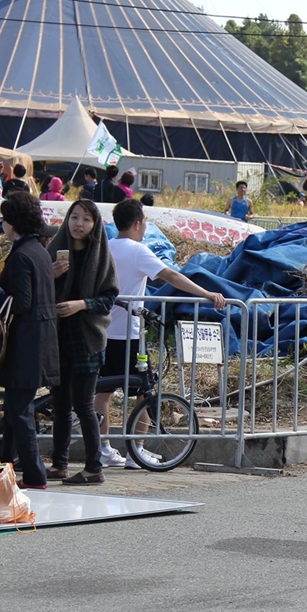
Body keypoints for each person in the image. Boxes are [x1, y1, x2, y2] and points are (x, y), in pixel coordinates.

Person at [96, 198, 226, 467]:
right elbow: (171, 276)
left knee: (103, 394)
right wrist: (205, 293)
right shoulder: (138, 250)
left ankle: (104, 448)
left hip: (103, 330)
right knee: (146, 391)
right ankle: (137, 451)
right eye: (144, 222)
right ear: (137, 223)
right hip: (130, 333)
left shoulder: (105, 247)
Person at [47, 199, 119, 485]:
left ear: (95, 225)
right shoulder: (54, 249)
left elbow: (109, 298)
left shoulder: (100, 254)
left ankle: (93, 467)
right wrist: (50, 274)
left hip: (87, 337)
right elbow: (38, 287)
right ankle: (59, 464)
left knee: (83, 405)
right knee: (60, 404)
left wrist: (81, 304)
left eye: (86, 219)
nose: (79, 224)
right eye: (74, 217)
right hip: (57, 335)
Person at [0, 192, 60, 489]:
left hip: (24, 343)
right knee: (14, 409)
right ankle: (2, 467)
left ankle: (34, 474)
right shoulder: (39, 250)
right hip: (41, 340)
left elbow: (21, 301)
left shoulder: (20, 255)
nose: (2, 226)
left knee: (19, 412)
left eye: (3, 220)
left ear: (12, 224)